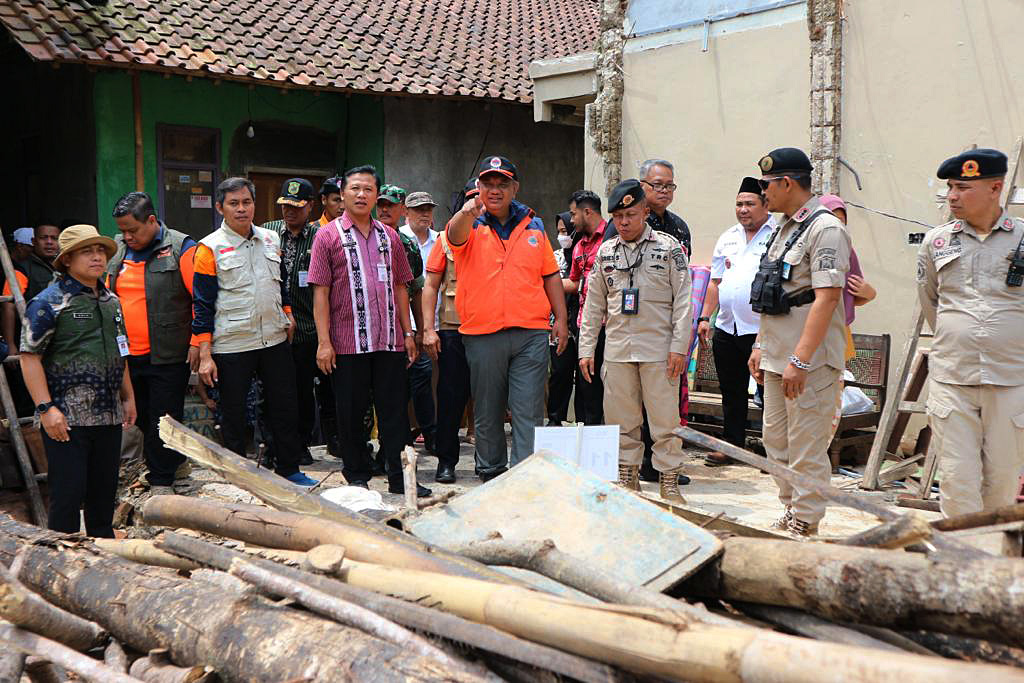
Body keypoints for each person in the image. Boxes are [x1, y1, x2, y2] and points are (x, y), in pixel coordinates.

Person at [917, 148, 1024, 553]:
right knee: (957, 479)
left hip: (1012, 381)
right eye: (950, 188)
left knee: (1000, 483)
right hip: (952, 379)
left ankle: (991, 571)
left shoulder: (1023, 238)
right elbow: (931, 302)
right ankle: (958, 566)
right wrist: (961, 336)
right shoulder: (937, 241)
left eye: (963, 187)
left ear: (995, 187)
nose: (952, 196)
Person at [748, 147, 851, 538]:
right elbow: (772, 291)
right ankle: (790, 508)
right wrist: (760, 345)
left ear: (787, 183)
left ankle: (806, 520)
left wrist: (802, 359)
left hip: (807, 358)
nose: (763, 193)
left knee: (806, 444)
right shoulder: (786, 227)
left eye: (767, 185)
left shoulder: (826, 229)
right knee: (776, 440)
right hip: (776, 353)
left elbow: (826, 298)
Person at [445, 155, 569, 479]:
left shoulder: (535, 225)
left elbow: (551, 275)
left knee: (528, 409)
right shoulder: (468, 223)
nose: (495, 190)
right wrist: (466, 212)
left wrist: (562, 321)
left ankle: (524, 476)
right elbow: (454, 237)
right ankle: (491, 471)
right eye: (488, 184)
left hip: (531, 333)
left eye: (502, 184)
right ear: (478, 187)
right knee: (487, 410)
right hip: (483, 334)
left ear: (515, 188)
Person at [308, 165, 429, 496]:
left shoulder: (390, 237)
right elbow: (319, 291)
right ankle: (357, 478)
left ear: (377, 195)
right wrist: (324, 342)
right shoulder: (327, 236)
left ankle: (398, 478)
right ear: (343, 194)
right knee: (350, 414)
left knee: (394, 415)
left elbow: (402, 287)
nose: (361, 195)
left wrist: (408, 333)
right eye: (355, 189)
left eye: (368, 189)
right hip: (347, 343)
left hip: (389, 341)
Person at [192, 177, 317, 487]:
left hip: (273, 338)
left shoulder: (270, 239)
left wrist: (287, 315)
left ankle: (288, 469)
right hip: (232, 343)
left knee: (283, 406)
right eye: (233, 203)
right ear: (220, 207)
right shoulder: (209, 248)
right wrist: (205, 354)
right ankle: (238, 476)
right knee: (233, 413)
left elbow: (282, 283)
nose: (241, 209)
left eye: (246, 202)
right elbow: (203, 306)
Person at [19, 225, 136, 536]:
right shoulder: (49, 301)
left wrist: (128, 397)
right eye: (87, 251)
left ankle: (103, 566)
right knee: (67, 500)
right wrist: (46, 409)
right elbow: (29, 358)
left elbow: (120, 350)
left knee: (103, 499)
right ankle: (62, 565)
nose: (97, 257)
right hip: (67, 420)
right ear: (67, 259)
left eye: (100, 251)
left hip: (108, 417)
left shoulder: (112, 301)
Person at [578, 179, 692, 502]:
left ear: (644, 210)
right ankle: (628, 480)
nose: (624, 222)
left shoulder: (669, 249)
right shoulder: (606, 252)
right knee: (621, 421)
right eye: (617, 217)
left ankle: (668, 482)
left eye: (630, 214)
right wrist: (586, 349)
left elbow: (684, 302)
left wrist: (679, 347)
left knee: (664, 422)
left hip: (659, 352)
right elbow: (592, 305)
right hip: (617, 351)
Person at [108, 191, 199, 495]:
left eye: (132, 230)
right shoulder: (119, 251)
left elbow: (200, 297)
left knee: (164, 416)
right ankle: (175, 464)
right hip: (128, 354)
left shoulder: (180, 247)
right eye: (122, 231)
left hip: (168, 351)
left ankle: (161, 481)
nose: (127, 236)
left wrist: (199, 341)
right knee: (142, 415)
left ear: (151, 220)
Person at [697, 178, 775, 465]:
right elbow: (716, 282)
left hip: (762, 330)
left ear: (766, 204)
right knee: (731, 391)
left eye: (750, 204)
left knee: (770, 394)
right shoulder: (728, 236)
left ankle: (774, 453)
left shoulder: (778, 235)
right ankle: (732, 447)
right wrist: (706, 316)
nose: (743, 210)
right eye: (739, 204)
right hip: (727, 327)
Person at [421, 181, 480, 483]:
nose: (477, 205)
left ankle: (487, 461)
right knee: (450, 398)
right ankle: (447, 461)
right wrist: (428, 329)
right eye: (471, 199)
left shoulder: (500, 237)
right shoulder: (446, 240)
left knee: (488, 399)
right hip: (453, 330)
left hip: (489, 330)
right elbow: (430, 286)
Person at [261, 178, 322, 466]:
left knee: (302, 392)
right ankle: (273, 445)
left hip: (308, 330)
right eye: (285, 205)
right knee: (275, 391)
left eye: (296, 206)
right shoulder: (268, 233)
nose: (289, 211)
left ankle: (302, 443)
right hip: (273, 330)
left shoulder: (321, 237)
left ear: (310, 206)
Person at [400, 191, 440, 453]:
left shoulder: (441, 240)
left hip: (436, 323)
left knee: (432, 384)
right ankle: (404, 437)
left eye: (427, 209)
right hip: (408, 325)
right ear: (407, 212)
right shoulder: (399, 239)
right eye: (418, 209)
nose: (423, 214)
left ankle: (434, 435)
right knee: (406, 386)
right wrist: (411, 330)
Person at [563, 190, 607, 425]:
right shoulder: (579, 245)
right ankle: (590, 439)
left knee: (610, 387)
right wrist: (543, 282)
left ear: (587, 211)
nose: (571, 220)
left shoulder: (611, 238)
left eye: (573, 214)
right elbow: (574, 281)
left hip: (610, 325)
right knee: (587, 384)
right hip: (585, 325)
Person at [603, 160, 692, 257]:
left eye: (669, 185)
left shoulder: (679, 226)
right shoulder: (626, 222)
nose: (665, 190)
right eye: (657, 185)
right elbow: (607, 261)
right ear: (642, 186)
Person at [547, 210, 580, 425]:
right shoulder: (554, 257)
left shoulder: (584, 253)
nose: (563, 236)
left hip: (582, 323)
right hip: (558, 325)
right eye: (559, 231)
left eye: (567, 231)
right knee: (560, 373)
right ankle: (555, 418)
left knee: (586, 377)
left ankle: (582, 422)